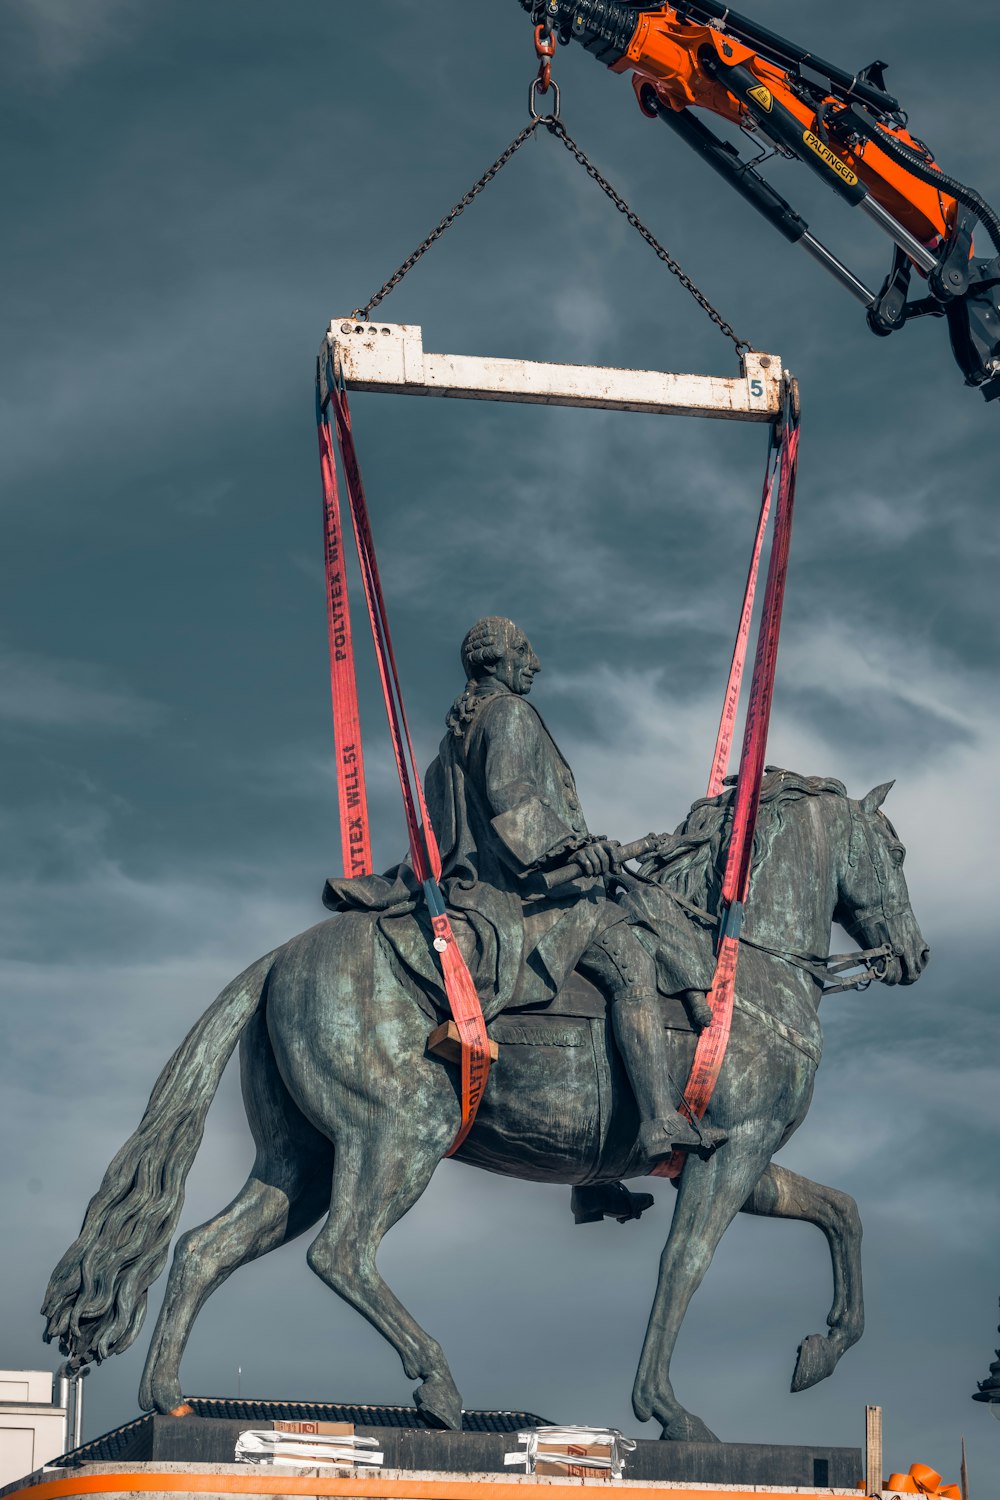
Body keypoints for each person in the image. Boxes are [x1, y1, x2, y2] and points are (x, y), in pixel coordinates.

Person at [423, 616, 725, 1166]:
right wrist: (571, 850)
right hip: (530, 898)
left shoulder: (452, 738)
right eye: (525, 653)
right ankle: (659, 1120)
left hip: (497, 889)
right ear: (496, 661)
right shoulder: (509, 714)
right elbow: (511, 797)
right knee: (632, 962)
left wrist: (579, 847)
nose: (533, 665)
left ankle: (598, 1179)